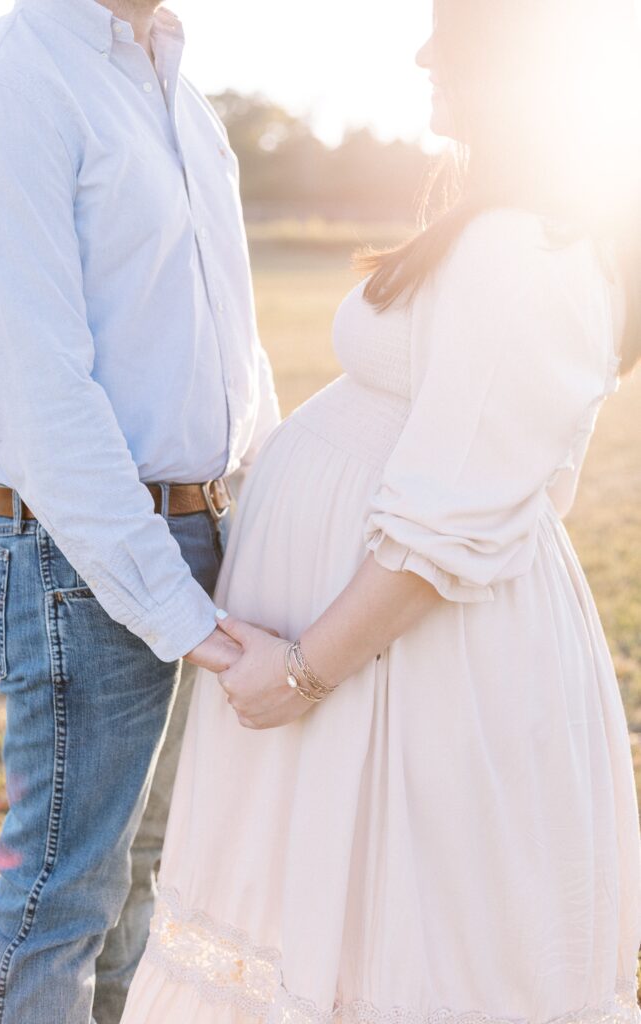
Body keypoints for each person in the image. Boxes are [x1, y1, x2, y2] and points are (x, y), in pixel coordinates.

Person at [121, 0, 641, 1021]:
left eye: (448, 30)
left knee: (407, 953)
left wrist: (303, 668)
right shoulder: (491, 227)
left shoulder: (526, 250)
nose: (420, 53)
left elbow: (443, 523)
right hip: (369, 666)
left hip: (404, 669)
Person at [0, 0, 279, 1021]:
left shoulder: (177, 87)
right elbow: (38, 387)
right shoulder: (15, 81)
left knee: (151, 878)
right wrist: (174, 605)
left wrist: (261, 517)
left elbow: (230, 340)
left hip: (202, 536)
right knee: (66, 894)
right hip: (79, 552)